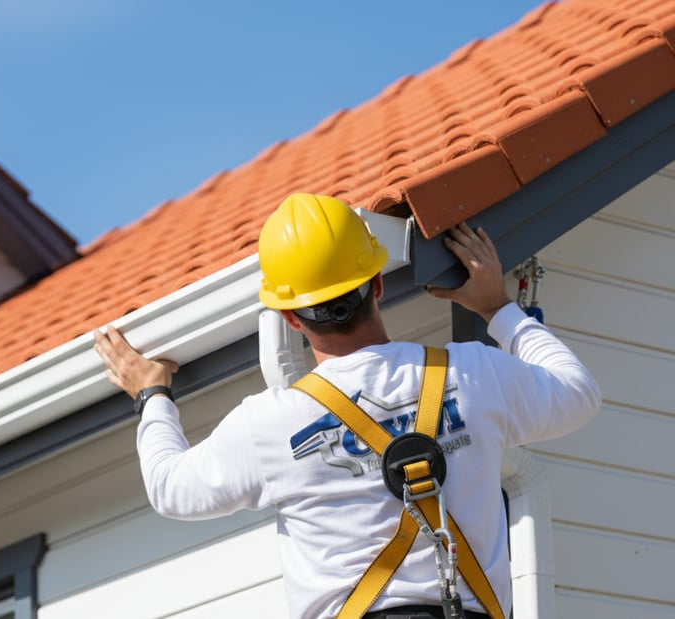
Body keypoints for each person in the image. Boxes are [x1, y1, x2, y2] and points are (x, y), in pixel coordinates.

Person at [94, 193, 601, 619]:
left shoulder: (268, 425)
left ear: (291, 319)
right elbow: (578, 394)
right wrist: (498, 308)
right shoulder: (472, 374)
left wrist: (152, 394)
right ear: (377, 283)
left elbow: (170, 488)